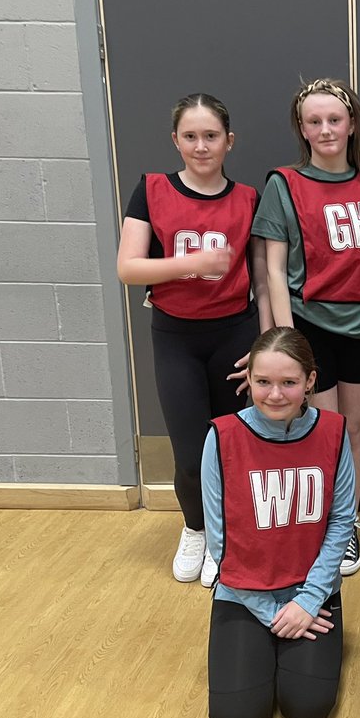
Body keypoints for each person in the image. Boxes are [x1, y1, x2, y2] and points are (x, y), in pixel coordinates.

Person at [116, 92, 269, 587]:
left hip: (235, 335)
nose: (201, 146)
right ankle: (196, 529)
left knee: (233, 445)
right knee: (189, 451)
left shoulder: (248, 198)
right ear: (175, 141)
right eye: (190, 136)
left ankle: (227, 538)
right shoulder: (152, 189)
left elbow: (262, 277)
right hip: (176, 337)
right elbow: (128, 267)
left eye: (211, 136)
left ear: (229, 141)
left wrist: (265, 343)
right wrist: (192, 264)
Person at [251, 78, 360, 577]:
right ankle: (326, 524)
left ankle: (347, 522)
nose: (326, 129)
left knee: (354, 428)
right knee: (324, 430)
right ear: (302, 128)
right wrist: (290, 345)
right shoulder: (284, 184)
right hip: (311, 326)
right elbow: (273, 270)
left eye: (335, 119)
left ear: (352, 125)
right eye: (315, 121)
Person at [202, 327, 355, 718]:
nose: (274, 394)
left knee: (307, 710)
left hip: (311, 593)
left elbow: (341, 521)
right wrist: (270, 613)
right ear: (249, 379)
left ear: (310, 381)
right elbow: (220, 544)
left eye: (288, 382)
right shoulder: (222, 437)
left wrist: (308, 601)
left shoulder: (334, 431)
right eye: (263, 381)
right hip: (244, 593)